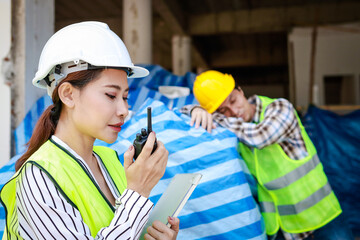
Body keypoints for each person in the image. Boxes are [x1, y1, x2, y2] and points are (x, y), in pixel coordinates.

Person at [0, 21, 179, 240]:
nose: (124, 110)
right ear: (68, 94)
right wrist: (139, 191)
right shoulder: (38, 177)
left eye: (125, 97)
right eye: (111, 96)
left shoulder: (111, 160)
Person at [181, 70, 354, 240]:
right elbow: (181, 110)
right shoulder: (234, 129)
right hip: (283, 228)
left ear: (240, 90)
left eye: (233, 100)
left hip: (322, 217)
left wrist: (217, 118)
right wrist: (196, 110)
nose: (233, 111)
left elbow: (260, 136)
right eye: (223, 110)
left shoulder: (279, 108)